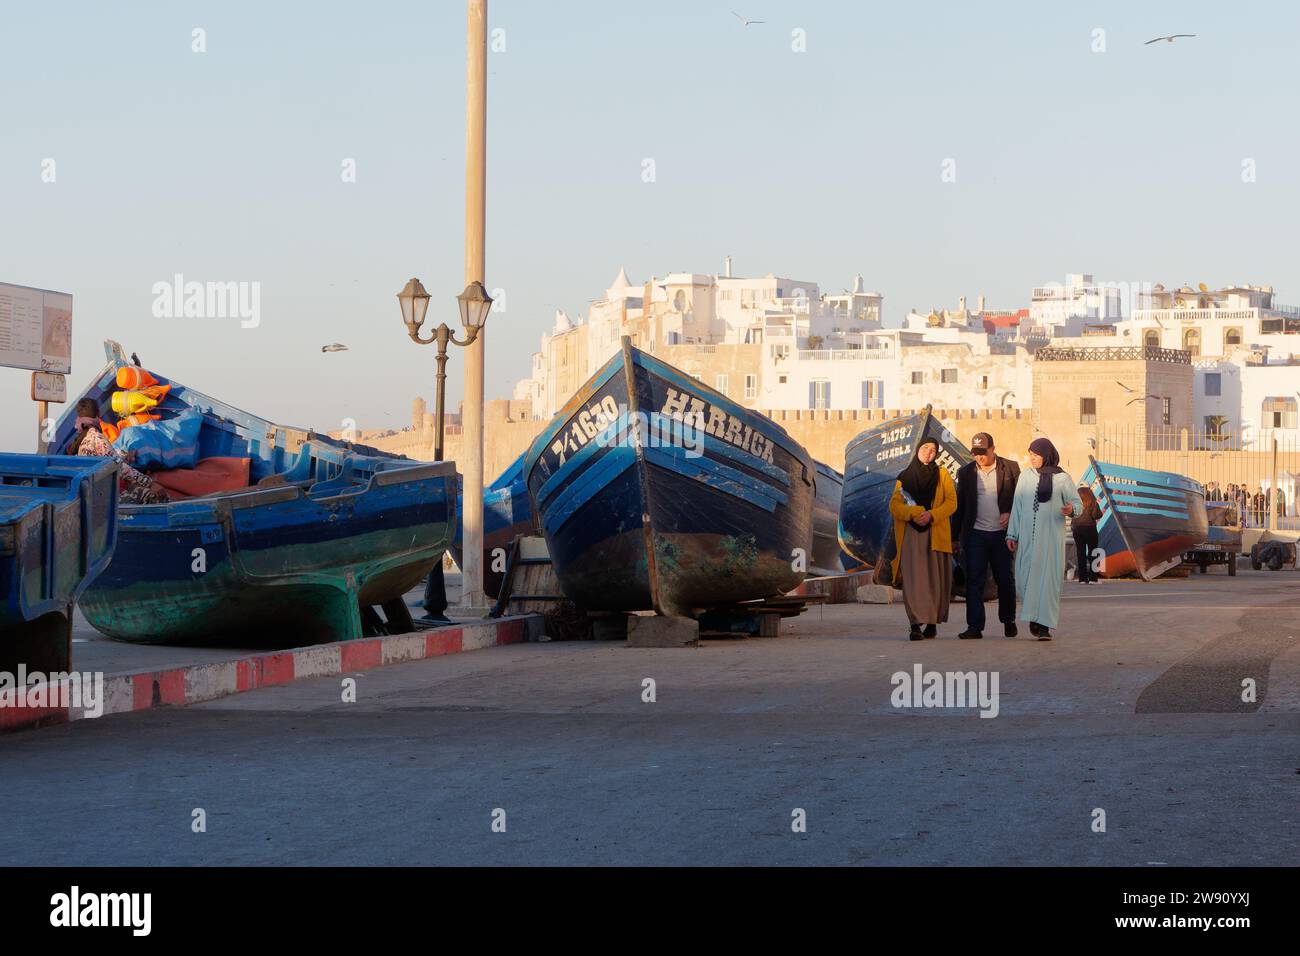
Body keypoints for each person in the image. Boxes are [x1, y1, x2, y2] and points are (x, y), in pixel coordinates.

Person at [1006, 437, 1082, 641]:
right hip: (1028, 540)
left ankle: (1044, 626)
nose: (1032, 458)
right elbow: (1017, 506)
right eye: (1030, 454)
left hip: (1049, 540)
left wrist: (1071, 509)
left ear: (1047, 456)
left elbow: (1077, 503)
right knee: (1025, 580)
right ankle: (1033, 617)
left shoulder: (1062, 479)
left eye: (1036, 455)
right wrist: (1012, 533)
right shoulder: (1025, 477)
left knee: (1047, 583)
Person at [888, 437, 958, 641]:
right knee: (913, 580)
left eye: (934, 450)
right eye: (926, 448)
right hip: (912, 534)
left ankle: (932, 623)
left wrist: (932, 515)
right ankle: (915, 624)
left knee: (935, 580)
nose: (929, 452)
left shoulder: (942, 474)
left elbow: (952, 502)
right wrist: (915, 512)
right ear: (918, 449)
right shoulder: (903, 478)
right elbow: (894, 506)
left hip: (936, 533)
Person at [953, 431, 1021, 639]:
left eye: (983, 452)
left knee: (1005, 579)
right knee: (974, 580)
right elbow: (960, 506)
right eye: (976, 453)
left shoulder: (1010, 468)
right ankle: (975, 627)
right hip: (976, 535)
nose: (980, 457)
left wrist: (1011, 515)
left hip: (1002, 534)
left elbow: (1021, 500)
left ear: (993, 449)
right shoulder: (965, 473)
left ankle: (1008, 620)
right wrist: (954, 537)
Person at [69, 398, 169, 504]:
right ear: (98, 414)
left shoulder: (83, 439)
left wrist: (124, 456)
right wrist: (150, 483)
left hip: (90, 494)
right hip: (102, 498)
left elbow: (108, 457)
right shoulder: (96, 437)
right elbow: (118, 466)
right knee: (152, 496)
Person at [1071, 485, 1103, 584]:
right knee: (1093, 552)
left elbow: (1070, 514)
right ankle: (1093, 578)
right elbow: (1097, 515)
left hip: (1076, 528)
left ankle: (1082, 579)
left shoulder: (1074, 503)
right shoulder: (1092, 502)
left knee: (1080, 553)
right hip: (1089, 528)